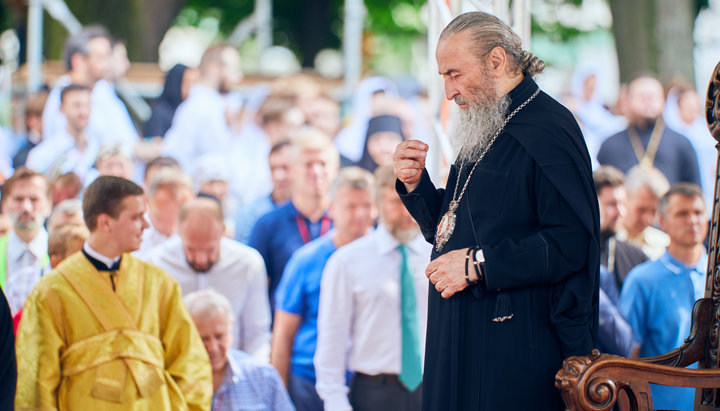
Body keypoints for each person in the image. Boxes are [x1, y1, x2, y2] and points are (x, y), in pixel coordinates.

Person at [392, 12, 599, 410]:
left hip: (514, 350)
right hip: (458, 338)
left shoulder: (548, 128)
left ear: (497, 60)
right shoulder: (485, 123)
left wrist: (478, 264)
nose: (449, 92)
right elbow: (452, 228)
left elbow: (571, 242)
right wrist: (418, 186)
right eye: (443, 78)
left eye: (454, 74)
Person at [15, 175, 212, 409]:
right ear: (105, 222)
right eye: (137, 217)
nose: (146, 225)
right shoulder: (51, 291)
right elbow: (36, 381)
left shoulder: (160, 284)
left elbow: (191, 364)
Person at [315, 164, 431, 411]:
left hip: (431, 390)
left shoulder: (437, 258)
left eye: (414, 201)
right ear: (377, 204)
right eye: (397, 202)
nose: (407, 212)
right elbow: (331, 341)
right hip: (374, 394)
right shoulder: (346, 262)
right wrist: (335, 402)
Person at [272, 167, 376, 410]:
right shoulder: (305, 261)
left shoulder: (389, 257)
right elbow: (283, 336)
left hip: (370, 382)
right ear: (332, 208)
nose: (360, 214)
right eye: (351, 206)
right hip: (309, 382)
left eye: (367, 205)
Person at [146, 197, 271, 360]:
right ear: (178, 231)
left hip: (233, 372)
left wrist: (251, 376)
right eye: (191, 249)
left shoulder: (248, 263)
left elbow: (257, 334)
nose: (201, 259)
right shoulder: (155, 264)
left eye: (209, 249)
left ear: (223, 231)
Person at [620, 183, 708, 411]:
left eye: (698, 212)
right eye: (682, 213)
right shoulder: (642, 280)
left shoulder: (714, 275)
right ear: (663, 221)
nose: (693, 220)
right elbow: (626, 361)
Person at [249, 130, 339, 310]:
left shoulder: (346, 221)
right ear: (293, 169)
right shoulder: (268, 225)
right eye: (308, 164)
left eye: (322, 163)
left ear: (335, 168)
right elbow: (255, 291)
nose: (316, 172)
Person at [186, 289, 295, 411]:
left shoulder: (263, 376)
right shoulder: (175, 378)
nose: (213, 348)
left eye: (219, 336)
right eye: (203, 339)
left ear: (230, 327)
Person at [597, 75, 701, 187]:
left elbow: (694, 191)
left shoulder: (681, 143)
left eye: (652, 96)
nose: (648, 102)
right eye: (642, 96)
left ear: (663, 100)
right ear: (627, 101)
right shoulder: (610, 146)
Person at [42, 26, 138, 147]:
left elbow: (129, 141)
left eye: (108, 57)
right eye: (100, 58)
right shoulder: (62, 97)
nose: (107, 64)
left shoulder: (103, 90)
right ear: (78, 61)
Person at [163, 44, 242, 173]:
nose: (238, 76)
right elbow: (220, 161)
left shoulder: (203, 105)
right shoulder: (205, 108)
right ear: (215, 68)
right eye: (233, 69)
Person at [0, 168, 51, 315]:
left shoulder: (64, 254)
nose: (26, 207)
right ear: (4, 205)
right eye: (18, 199)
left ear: (49, 205)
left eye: (34, 199)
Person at [27, 85, 100, 181]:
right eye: (76, 106)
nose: (83, 112)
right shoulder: (43, 155)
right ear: (62, 108)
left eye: (87, 105)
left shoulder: (99, 149)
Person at [594, 166, 648, 289]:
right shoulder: (572, 257)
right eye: (612, 204)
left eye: (622, 204)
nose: (621, 212)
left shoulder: (638, 259)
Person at [235, 141, 293, 244]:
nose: (278, 176)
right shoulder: (251, 213)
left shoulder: (309, 213)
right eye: (273, 168)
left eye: (285, 167)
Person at [135, 167, 193, 256]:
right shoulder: (133, 234)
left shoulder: (196, 234)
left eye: (179, 220)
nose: (171, 227)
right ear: (147, 200)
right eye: (161, 220)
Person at [616, 165, 670, 259]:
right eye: (642, 210)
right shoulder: (606, 242)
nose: (648, 219)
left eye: (654, 212)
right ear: (625, 198)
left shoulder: (665, 246)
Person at [143, 64, 198, 138]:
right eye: (187, 83)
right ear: (176, 83)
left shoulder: (189, 110)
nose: (191, 89)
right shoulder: (161, 113)